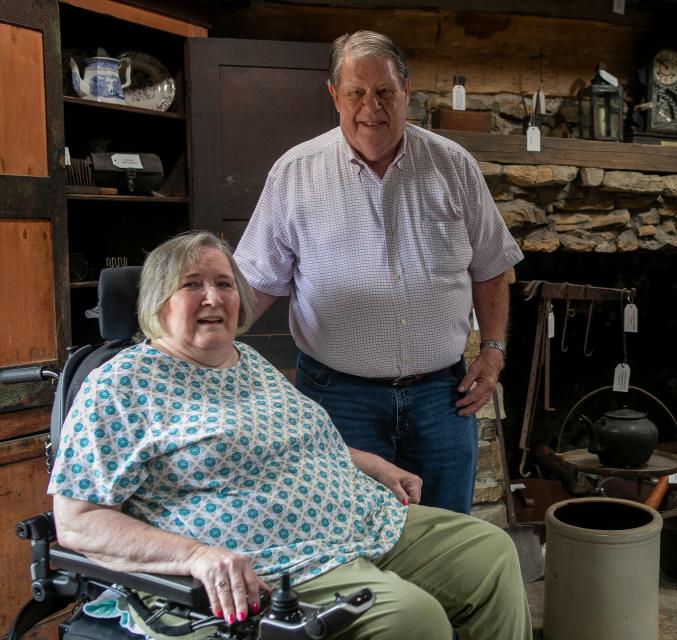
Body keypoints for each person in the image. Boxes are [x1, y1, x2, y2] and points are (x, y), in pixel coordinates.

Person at [49, 231, 532, 639]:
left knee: (488, 552)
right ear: (157, 300)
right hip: (278, 558)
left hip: (361, 517)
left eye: (224, 283)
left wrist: (368, 462)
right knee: (414, 619)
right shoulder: (122, 384)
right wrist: (195, 556)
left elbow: (288, 437)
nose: (213, 297)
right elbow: (77, 521)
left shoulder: (247, 361)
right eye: (191, 285)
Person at [233, 30, 523, 514]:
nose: (372, 107)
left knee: (446, 534)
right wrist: (196, 340)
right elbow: (254, 284)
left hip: (442, 398)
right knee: (348, 541)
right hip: (336, 401)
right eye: (356, 93)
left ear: (406, 92)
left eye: (385, 92)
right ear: (334, 97)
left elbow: (492, 266)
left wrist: (492, 353)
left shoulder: (453, 165)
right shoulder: (295, 172)